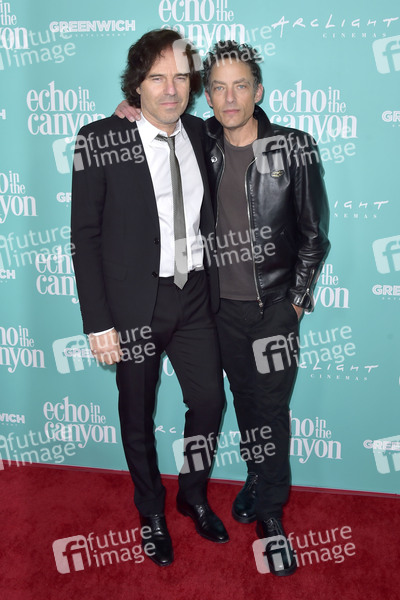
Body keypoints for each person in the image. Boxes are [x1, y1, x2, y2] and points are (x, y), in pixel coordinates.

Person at [115, 39, 330, 576]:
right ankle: (253, 479)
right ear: (206, 97)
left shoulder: (294, 148)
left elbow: (314, 236)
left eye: (240, 86)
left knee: (269, 413)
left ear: (259, 91)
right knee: (236, 403)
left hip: (274, 309)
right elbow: (154, 119)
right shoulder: (200, 138)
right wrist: (127, 110)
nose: (229, 98)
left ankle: (271, 513)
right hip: (216, 311)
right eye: (218, 88)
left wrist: (295, 303)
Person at [71, 29, 229, 569]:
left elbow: (247, 121)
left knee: (209, 403)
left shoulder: (202, 132)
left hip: (195, 295)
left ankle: (192, 494)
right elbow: (85, 237)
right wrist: (98, 323)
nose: (170, 89)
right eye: (157, 77)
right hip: (134, 304)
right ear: (136, 83)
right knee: (136, 414)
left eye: (181, 77)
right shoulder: (98, 139)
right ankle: (150, 510)